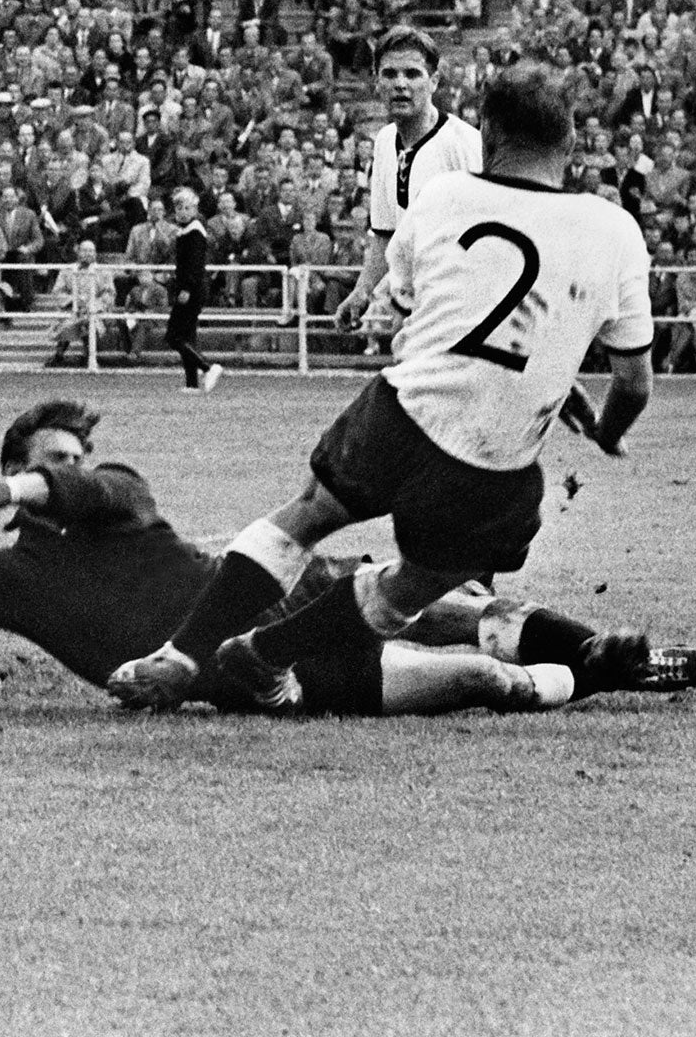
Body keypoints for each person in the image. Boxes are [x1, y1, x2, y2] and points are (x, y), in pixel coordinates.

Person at [107, 65, 661, 711]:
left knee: (307, 514)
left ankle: (183, 650)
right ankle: (265, 654)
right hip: (495, 461)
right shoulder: (613, 229)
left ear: (487, 133)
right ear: (571, 142)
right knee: (414, 587)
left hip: (403, 412)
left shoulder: (445, 197)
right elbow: (633, 381)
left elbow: (427, 305)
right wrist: (605, 430)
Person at [0, 399, 696, 717]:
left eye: (71, 458)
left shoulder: (121, 500)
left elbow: (105, 490)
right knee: (484, 675)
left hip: (293, 602)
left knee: (452, 599)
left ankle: (612, 654)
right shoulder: (5, 582)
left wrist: (13, 487)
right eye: (46, 463)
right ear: (11, 470)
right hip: (270, 675)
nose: (70, 471)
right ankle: (590, 674)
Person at [332, 25, 483, 335]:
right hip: (410, 307)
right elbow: (386, 234)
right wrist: (362, 291)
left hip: (462, 312)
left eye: (412, 74)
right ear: (377, 83)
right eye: (389, 74)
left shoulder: (463, 144)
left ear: (434, 81)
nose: (400, 84)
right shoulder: (385, 142)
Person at [166, 187, 221, 392]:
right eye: (179, 207)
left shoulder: (195, 231)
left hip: (192, 289)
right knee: (187, 336)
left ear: (195, 209)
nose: (182, 211)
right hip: (191, 288)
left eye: (187, 207)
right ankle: (191, 383)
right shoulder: (187, 230)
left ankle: (208, 368)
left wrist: (186, 287)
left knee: (174, 336)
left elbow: (195, 264)